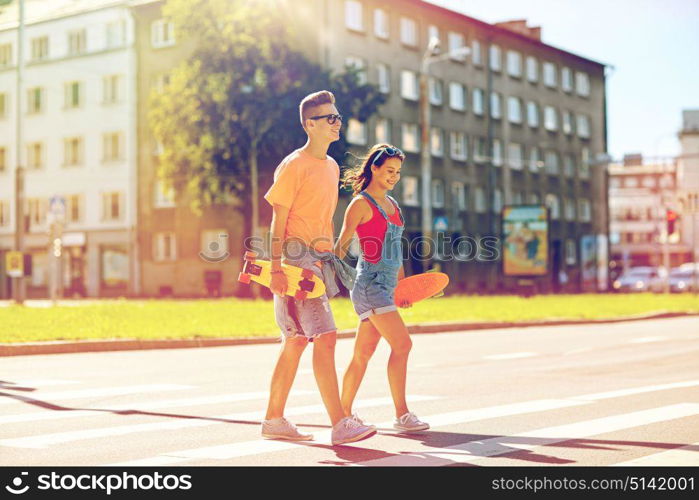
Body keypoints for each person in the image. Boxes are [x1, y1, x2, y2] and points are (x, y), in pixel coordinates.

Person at [261, 90, 376, 445]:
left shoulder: (330, 166)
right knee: (324, 336)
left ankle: (273, 419)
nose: (337, 122)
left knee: (295, 340)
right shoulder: (294, 165)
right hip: (296, 259)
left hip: (319, 258)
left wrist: (332, 254)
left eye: (338, 117)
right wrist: (278, 268)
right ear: (310, 124)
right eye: (330, 118)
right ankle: (340, 423)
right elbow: (277, 221)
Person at [334, 144, 430, 433]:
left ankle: (343, 414)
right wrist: (327, 280)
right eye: (389, 170)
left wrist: (403, 288)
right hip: (370, 286)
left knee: (362, 354)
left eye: (398, 172)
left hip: (388, 287)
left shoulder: (394, 205)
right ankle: (402, 414)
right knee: (403, 344)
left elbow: (395, 248)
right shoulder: (360, 204)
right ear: (374, 168)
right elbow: (340, 247)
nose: (394, 176)